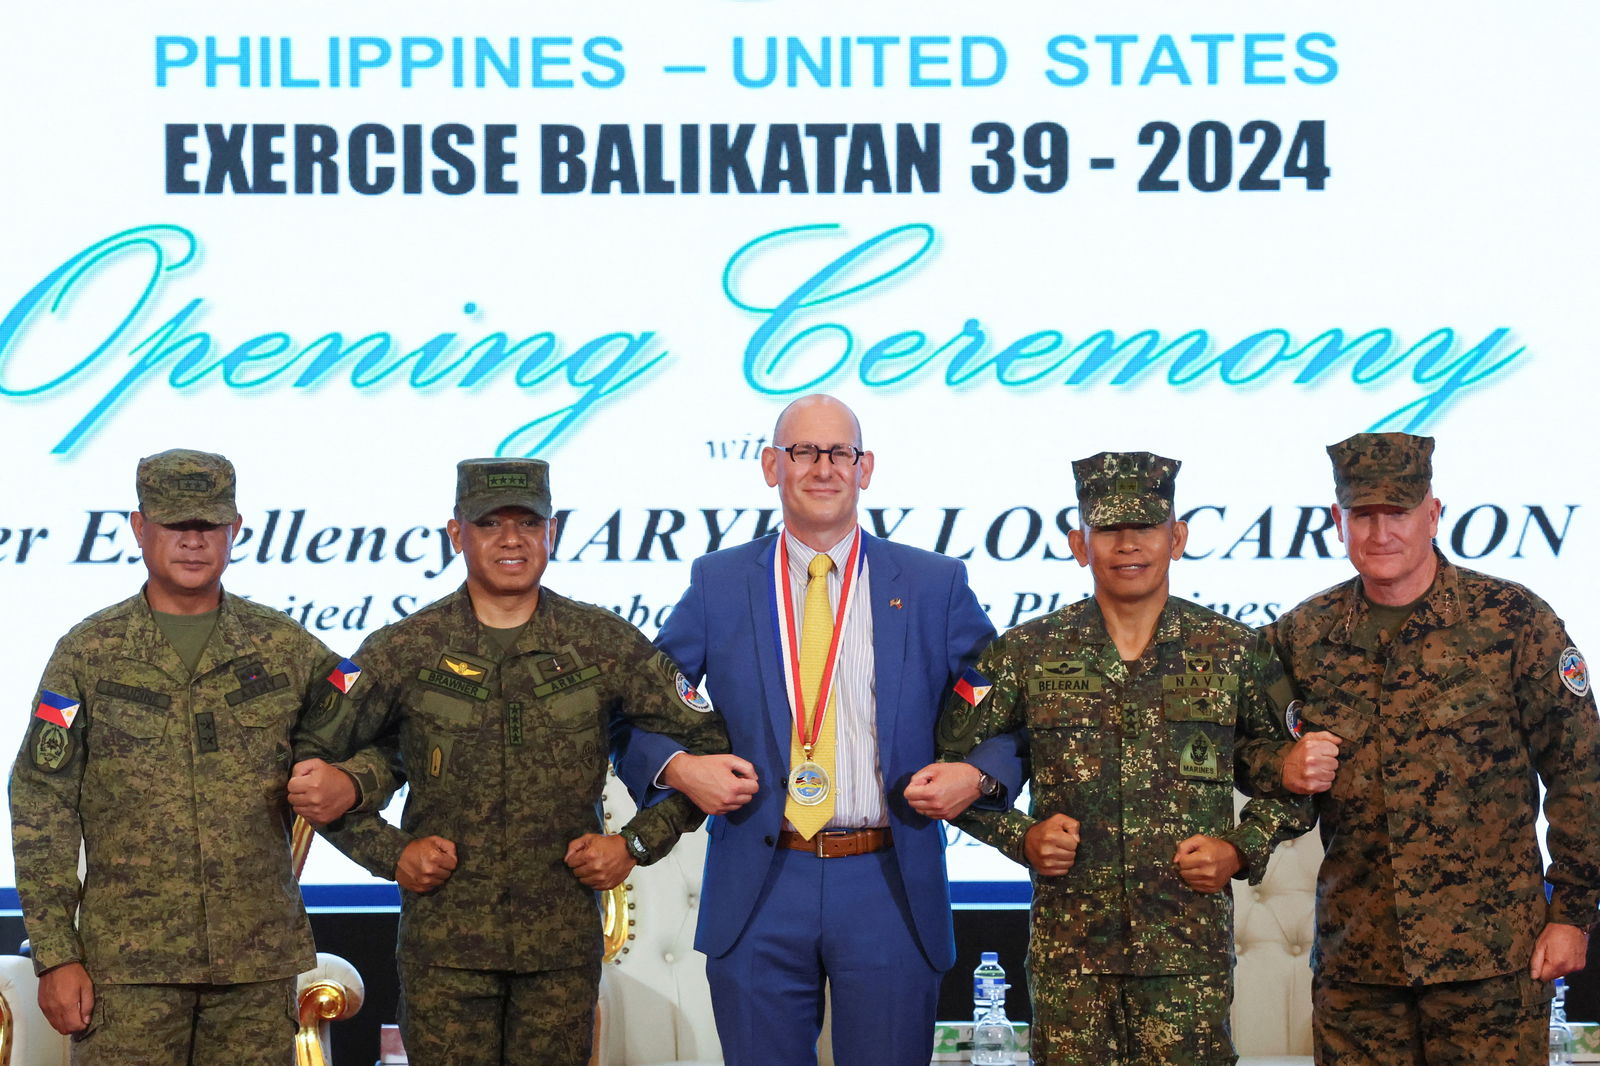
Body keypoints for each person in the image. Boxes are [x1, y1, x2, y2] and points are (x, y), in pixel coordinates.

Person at [614, 394, 1005, 1066]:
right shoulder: (719, 582)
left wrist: (977, 773)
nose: (822, 468)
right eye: (802, 452)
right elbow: (637, 708)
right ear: (772, 465)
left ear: (866, 467)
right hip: (762, 876)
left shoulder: (935, 583)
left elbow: (1004, 706)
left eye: (839, 453)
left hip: (888, 877)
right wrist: (680, 768)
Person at [314, 458, 731, 1066]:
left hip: (558, 951)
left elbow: (706, 745)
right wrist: (390, 852)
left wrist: (636, 845)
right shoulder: (404, 648)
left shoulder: (603, 643)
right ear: (457, 534)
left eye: (528, 523)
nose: (512, 539)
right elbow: (312, 764)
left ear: (552, 533)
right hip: (444, 950)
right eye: (490, 524)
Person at [928, 451, 1314, 1066]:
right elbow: (946, 770)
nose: (1128, 544)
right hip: (1071, 960)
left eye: (1147, 527)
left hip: (1187, 957)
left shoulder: (1235, 651)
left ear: (1177, 537)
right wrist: (1020, 837)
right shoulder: (1027, 653)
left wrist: (1241, 848)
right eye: (1108, 529)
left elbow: (1296, 775)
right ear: (1080, 543)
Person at [10, 448, 379, 1065]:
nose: (192, 542)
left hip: (255, 968)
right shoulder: (89, 653)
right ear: (138, 528)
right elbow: (41, 803)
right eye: (176, 525)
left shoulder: (282, 647)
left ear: (234, 531)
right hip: (126, 970)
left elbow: (373, 721)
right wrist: (57, 952)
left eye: (207, 525)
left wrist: (355, 780)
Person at [1269, 432, 1600, 1064]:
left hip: (1492, 962)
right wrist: (1279, 765)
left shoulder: (1513, 620)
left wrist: (1573, 912)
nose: (1381, 532)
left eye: (1398, 512)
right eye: (1363, 515)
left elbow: (1580, 769)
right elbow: (1248, 747)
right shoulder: (1304, 634)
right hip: (1359, 965)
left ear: (1434, 513)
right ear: (1339, 522)